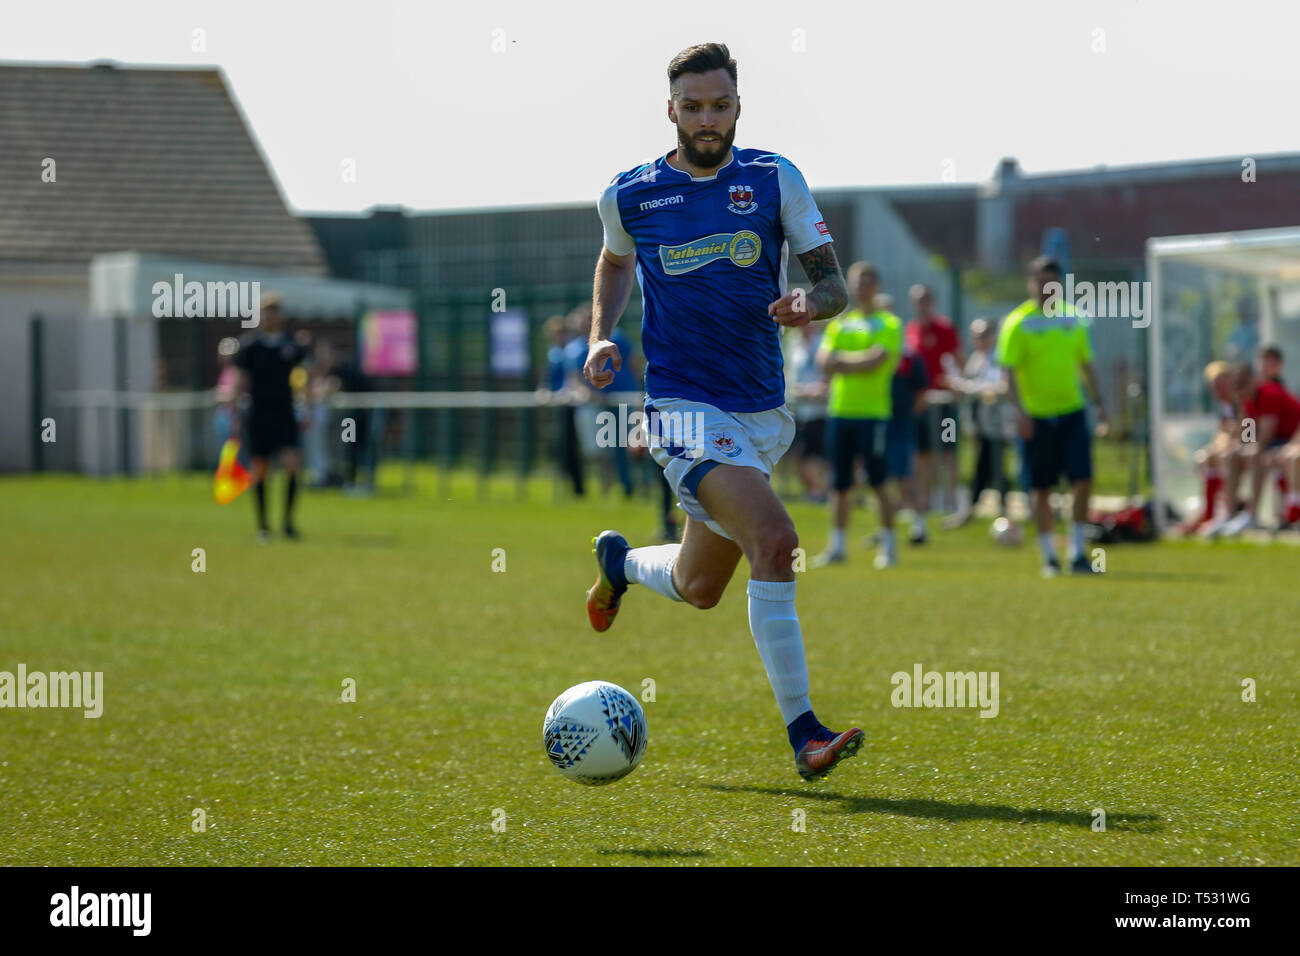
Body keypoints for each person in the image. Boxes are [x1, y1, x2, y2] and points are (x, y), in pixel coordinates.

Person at [580, 42, 863, 781]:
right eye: (693, 107)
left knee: (700, 587)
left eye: (721, 105)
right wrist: (602, 336)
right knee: (776, 539)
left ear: (739, 106)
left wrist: (810, 303)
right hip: (678, 407)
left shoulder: (774, 179)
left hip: (760, 413)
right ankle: (805, 733)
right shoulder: (631, 194)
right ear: (670, 109)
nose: (708, 120)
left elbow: (835, 287)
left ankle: (620, 562)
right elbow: (614, 261)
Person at [997, 257, 1109, 576]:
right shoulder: (1017, 322)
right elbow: (1009, 374)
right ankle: (1049, 556)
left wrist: (1099, 404)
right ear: (1030, 283)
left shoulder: (1073, 318)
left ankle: (1077, 553)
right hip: (1036, 417)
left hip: (1072, 413)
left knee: (1082, 481)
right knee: (1041, 487)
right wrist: (1020, 414)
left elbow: (1086, 364)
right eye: (1040, 281)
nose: (1047, 287)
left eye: (1052, 281)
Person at [814, 262, 903, 568]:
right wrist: (854, 362)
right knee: (839, 483)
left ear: (876, 286)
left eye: (867, 282)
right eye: (856, 282)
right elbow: (823, 361)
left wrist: (843, 363)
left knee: (878, 481)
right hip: (840, 412)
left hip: (873, 413)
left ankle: (888, 546)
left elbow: (877, 360)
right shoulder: (841, 324)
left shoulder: (889, 323)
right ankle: (837, 546)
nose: (861, 287)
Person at [233, 293, 309, 540]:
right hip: (259, 414)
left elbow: (302, 378)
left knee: (291, 464)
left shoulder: (291, 345)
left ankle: (287, 522)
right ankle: (264, 525)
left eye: (275, 310)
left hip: (285, 413)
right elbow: (241, 381)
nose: (270, 315)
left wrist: (306, 407)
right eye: (266, 310)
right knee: (260, 469)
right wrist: (235, 412)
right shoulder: (250, 346)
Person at [1214, 347, 1300, 536]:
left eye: (1242, 383)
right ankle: (1230, 513)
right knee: (1232, 455)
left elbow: (1265, 437)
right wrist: (1237, 446)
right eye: (1236, 384)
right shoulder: (1247, 399)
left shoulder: (1269, 393)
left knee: (1255, 455)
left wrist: (1248, 448)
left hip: (1287, 441)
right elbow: (1246, 436)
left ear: (1252, 380)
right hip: (1277, 443)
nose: (1238, 388)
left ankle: (1252, 515)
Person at [906, 284, 965, 534]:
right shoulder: (910, 330)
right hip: (922, 403)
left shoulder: (945, 328)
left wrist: (957, 383)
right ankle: (925, 501)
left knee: (948, 450)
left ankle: (951, 500)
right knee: (923, 454)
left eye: (926, 300)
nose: (922, 305)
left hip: (944, 403)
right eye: (918, 301)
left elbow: (958, 360)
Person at [945, 318, 1011, 526]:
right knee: (986, 465)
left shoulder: (997, 357)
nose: (979, 340)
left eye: (983, 335)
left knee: (993, 465)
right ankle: (989, 509)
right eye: (975, 336)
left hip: (998, 423)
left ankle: (999, 510)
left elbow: (994, 387)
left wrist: (966, 388)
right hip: (981, 423)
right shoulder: (977, 357)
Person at [1179, 360, 1239, 534]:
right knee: (1205, 457)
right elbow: (1222, 432)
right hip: (1229, 448)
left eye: (1220, 384)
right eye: (1214, 385)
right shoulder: (1223, 406)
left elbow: (1245, 432)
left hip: (1245, 448)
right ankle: (1209, 511)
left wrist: (1225, 442)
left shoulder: (1240, 401)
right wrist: (1216, 446)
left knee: (1223, 456)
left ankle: (1226, 510)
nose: (1217, 389)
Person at [542, 315, 585, 496]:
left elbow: (572, 376)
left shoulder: (571, 350)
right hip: (561, 404)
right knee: (563, 446)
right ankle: (569, 485)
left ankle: (578, 487)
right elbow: (548, 377)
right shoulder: (553, 353)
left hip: (574, 403)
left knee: (576, 447)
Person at [786, 321, 829, 502]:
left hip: (821, 409)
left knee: (818, 455)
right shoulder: (793, 343)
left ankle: (821, 492)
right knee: (799, 454)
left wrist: (821, 389)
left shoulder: (824, 342)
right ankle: (815, 491)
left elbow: (830, 374)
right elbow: (789, 372)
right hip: (799, 408)